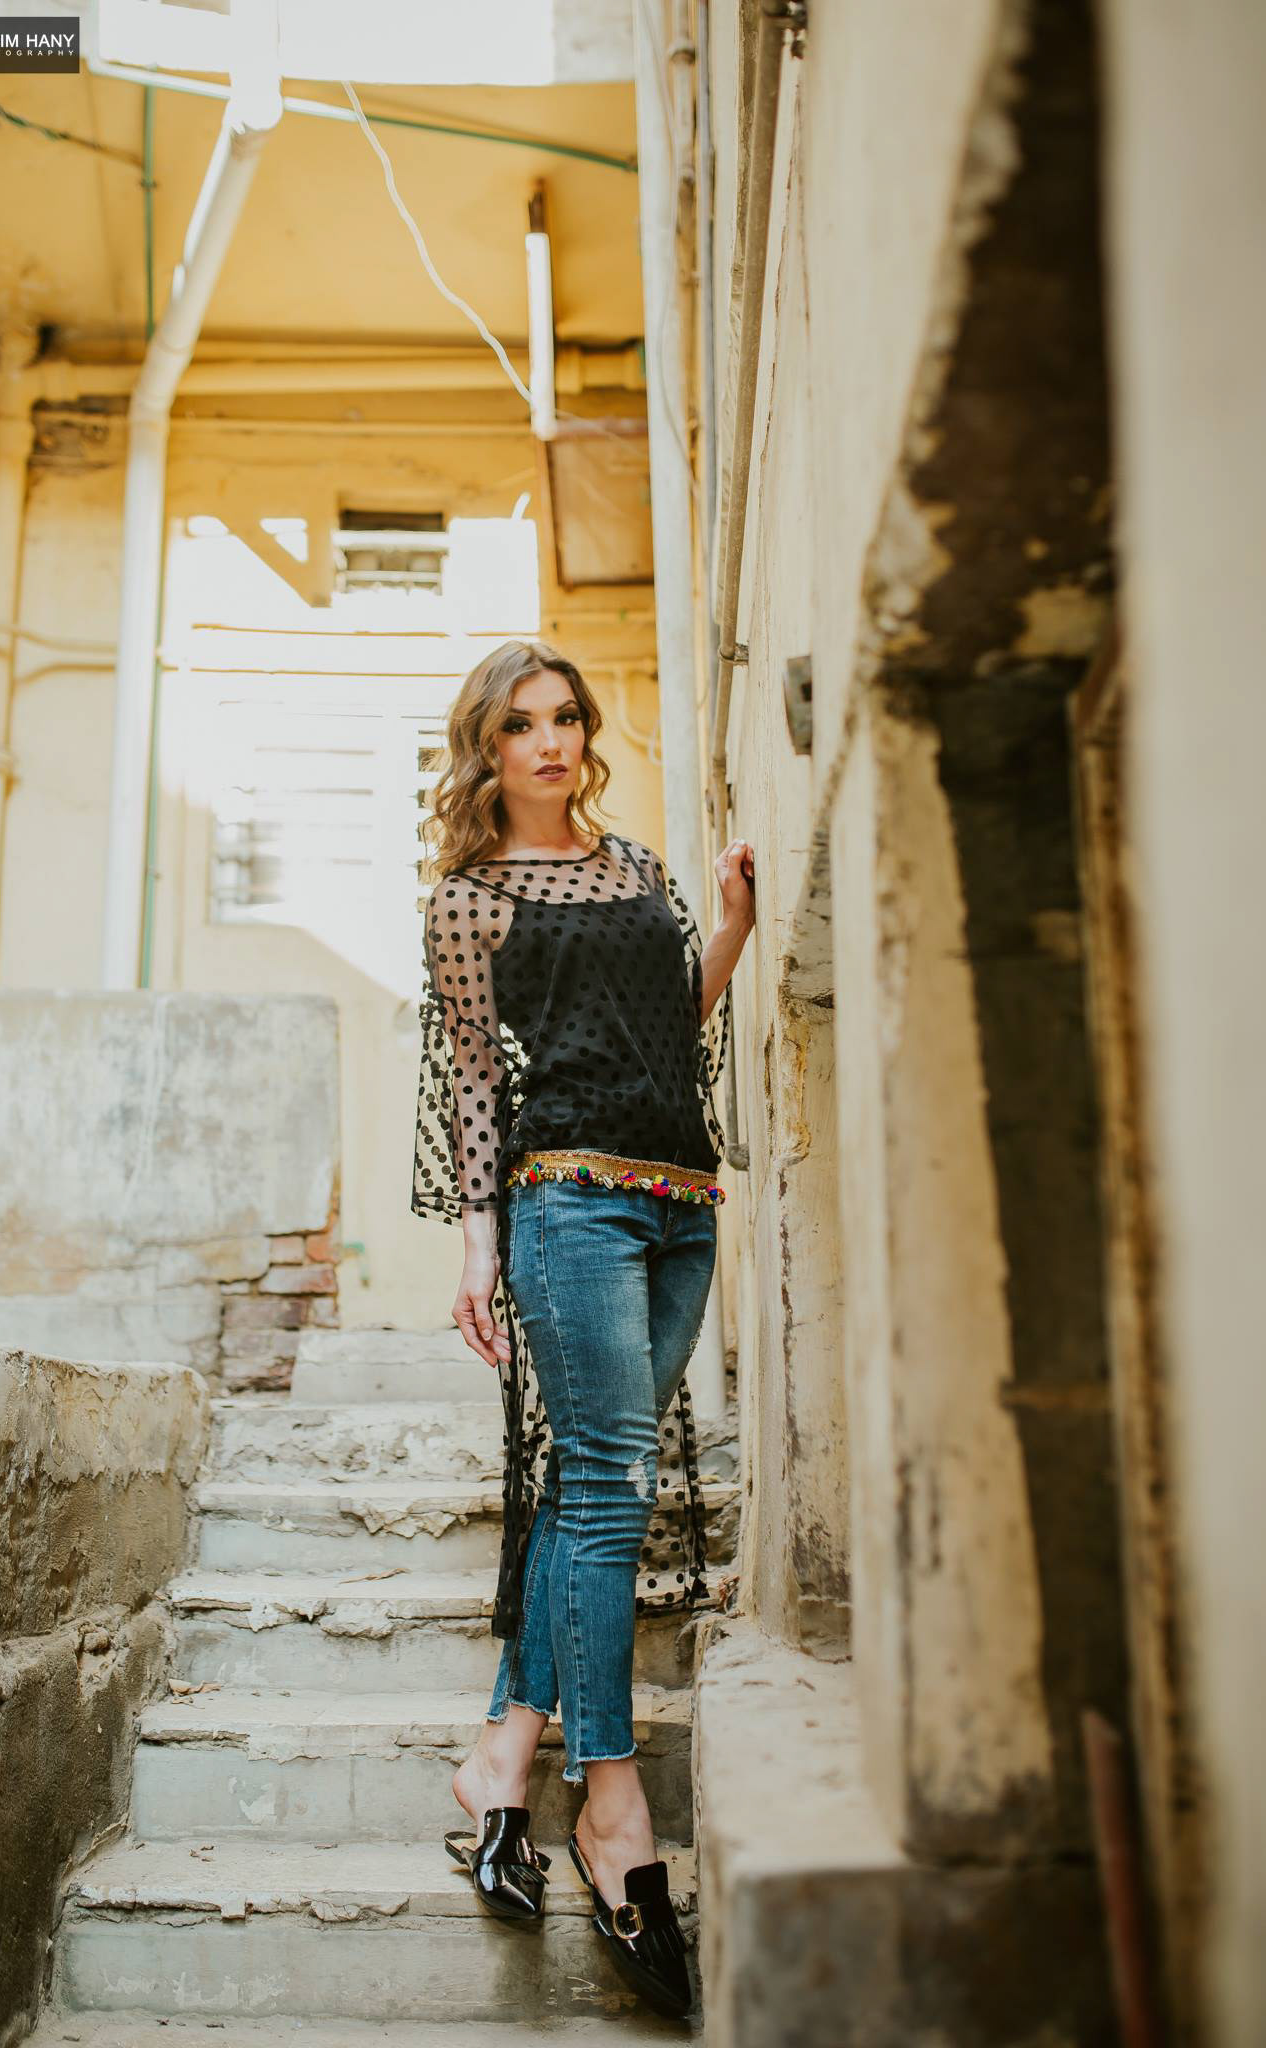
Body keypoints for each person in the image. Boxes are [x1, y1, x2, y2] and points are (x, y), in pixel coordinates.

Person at [411, 638, 755, 2017]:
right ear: (486, 750)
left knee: (588, 1486)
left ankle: (502, 1753)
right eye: (521, 725)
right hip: (568, 1206)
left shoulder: (637, 870)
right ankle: (611, 1805)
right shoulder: (470, 901)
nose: (550, 742)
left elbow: (667, 1029)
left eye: (565, 718)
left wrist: (728, 929)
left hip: (681, 1203)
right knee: (610, 1490)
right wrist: (479, 1247)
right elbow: (476, 1086)